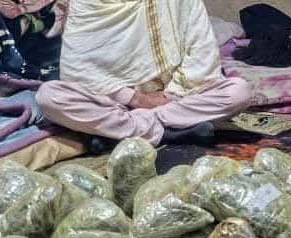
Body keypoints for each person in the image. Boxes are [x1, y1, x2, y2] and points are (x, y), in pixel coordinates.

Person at [36, 0, 254, 146]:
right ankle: (166, 132)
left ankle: (121, 132)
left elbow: (200, 50)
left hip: (174, 97)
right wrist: (135, 98)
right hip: (114, 100)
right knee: (49, 97)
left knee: (239, 91)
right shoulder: (86, 3)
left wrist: (171, 94)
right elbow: (79, 70)